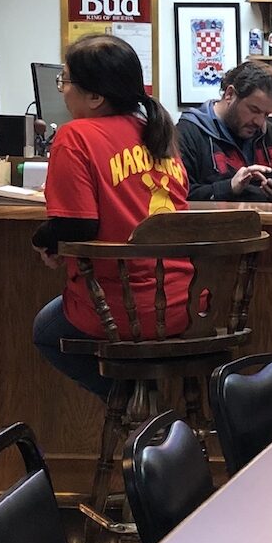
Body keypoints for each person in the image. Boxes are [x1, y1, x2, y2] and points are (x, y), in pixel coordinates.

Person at [32, 34, 191, 399]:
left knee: (46, 330)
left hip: (123, 309)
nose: (62, 90)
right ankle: (146, 405)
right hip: (186, 303)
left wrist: (41, 240)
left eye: (66, 80)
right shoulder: (158, 133)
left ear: (95, 97)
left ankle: (133, 404)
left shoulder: (76, 136)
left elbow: (76, 226)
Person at [176, 60, 272, 202]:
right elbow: (178, 196)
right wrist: (229, 188)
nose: (259, 122)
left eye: (266, 114)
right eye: (254, 110)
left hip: (267, 223)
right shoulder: (188, 133)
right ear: (230, 95)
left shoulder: (270, 134)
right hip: (215, 224)